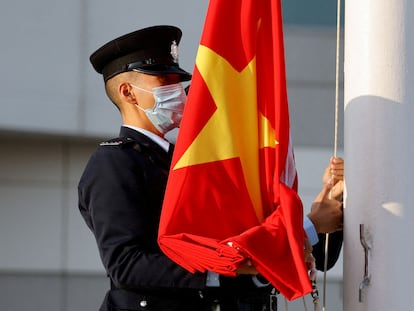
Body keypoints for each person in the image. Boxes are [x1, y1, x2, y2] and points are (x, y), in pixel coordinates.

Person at [78, 25, 344, 311]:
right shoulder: (117, 162)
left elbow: (276, 249)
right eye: (164, 80)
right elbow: (127, 265)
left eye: (177, 80)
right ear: (128, 92)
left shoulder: (189, 162)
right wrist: (231, 266)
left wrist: (327, 213)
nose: (177, 91)